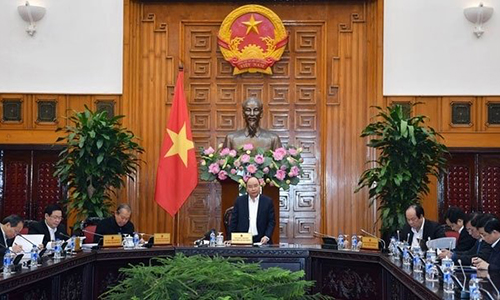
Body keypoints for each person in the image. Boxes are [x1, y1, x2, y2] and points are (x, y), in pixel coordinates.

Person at [229, 177, 275, 244]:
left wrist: (267, 236)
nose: (253, 189)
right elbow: (233, 221)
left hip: (262, 240)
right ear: (246, 189)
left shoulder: (267, 201)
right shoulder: (239, 201)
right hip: (243, 240)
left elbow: (271, 222)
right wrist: (231, 238)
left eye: (256, 186)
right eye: (250, 187)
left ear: (260, 187)